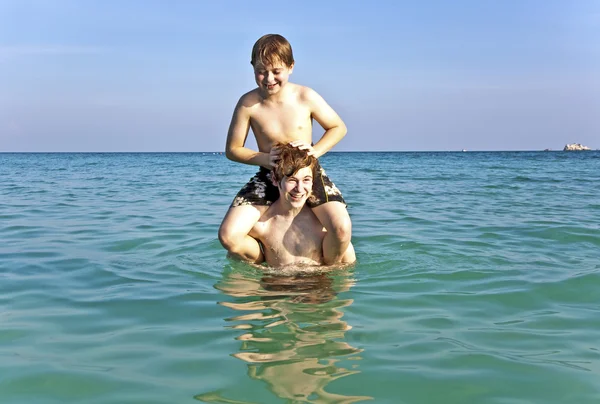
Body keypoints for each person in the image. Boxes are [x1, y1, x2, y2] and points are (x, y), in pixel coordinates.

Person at [219, 33, 352, 265]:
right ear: (252, 68)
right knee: (228, 236)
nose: (269, 78)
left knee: (341, 229)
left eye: (276, 71)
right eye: (261, 71)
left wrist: (315, 151)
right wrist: (264, 158)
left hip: (308, 173)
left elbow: (338, 127)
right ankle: (263, 260)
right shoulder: (248, 103)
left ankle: (327, 270)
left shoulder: (305, 96)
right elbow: (233, 150)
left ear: (291, 67)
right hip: (268, 174)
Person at [248, 143, 355, 268]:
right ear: (275, 179)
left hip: (319, 285)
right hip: (277, 285)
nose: (299, 189)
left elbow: (347, 273)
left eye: (306, 180)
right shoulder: (261, 226)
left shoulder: (326, 226)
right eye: (292, 180)